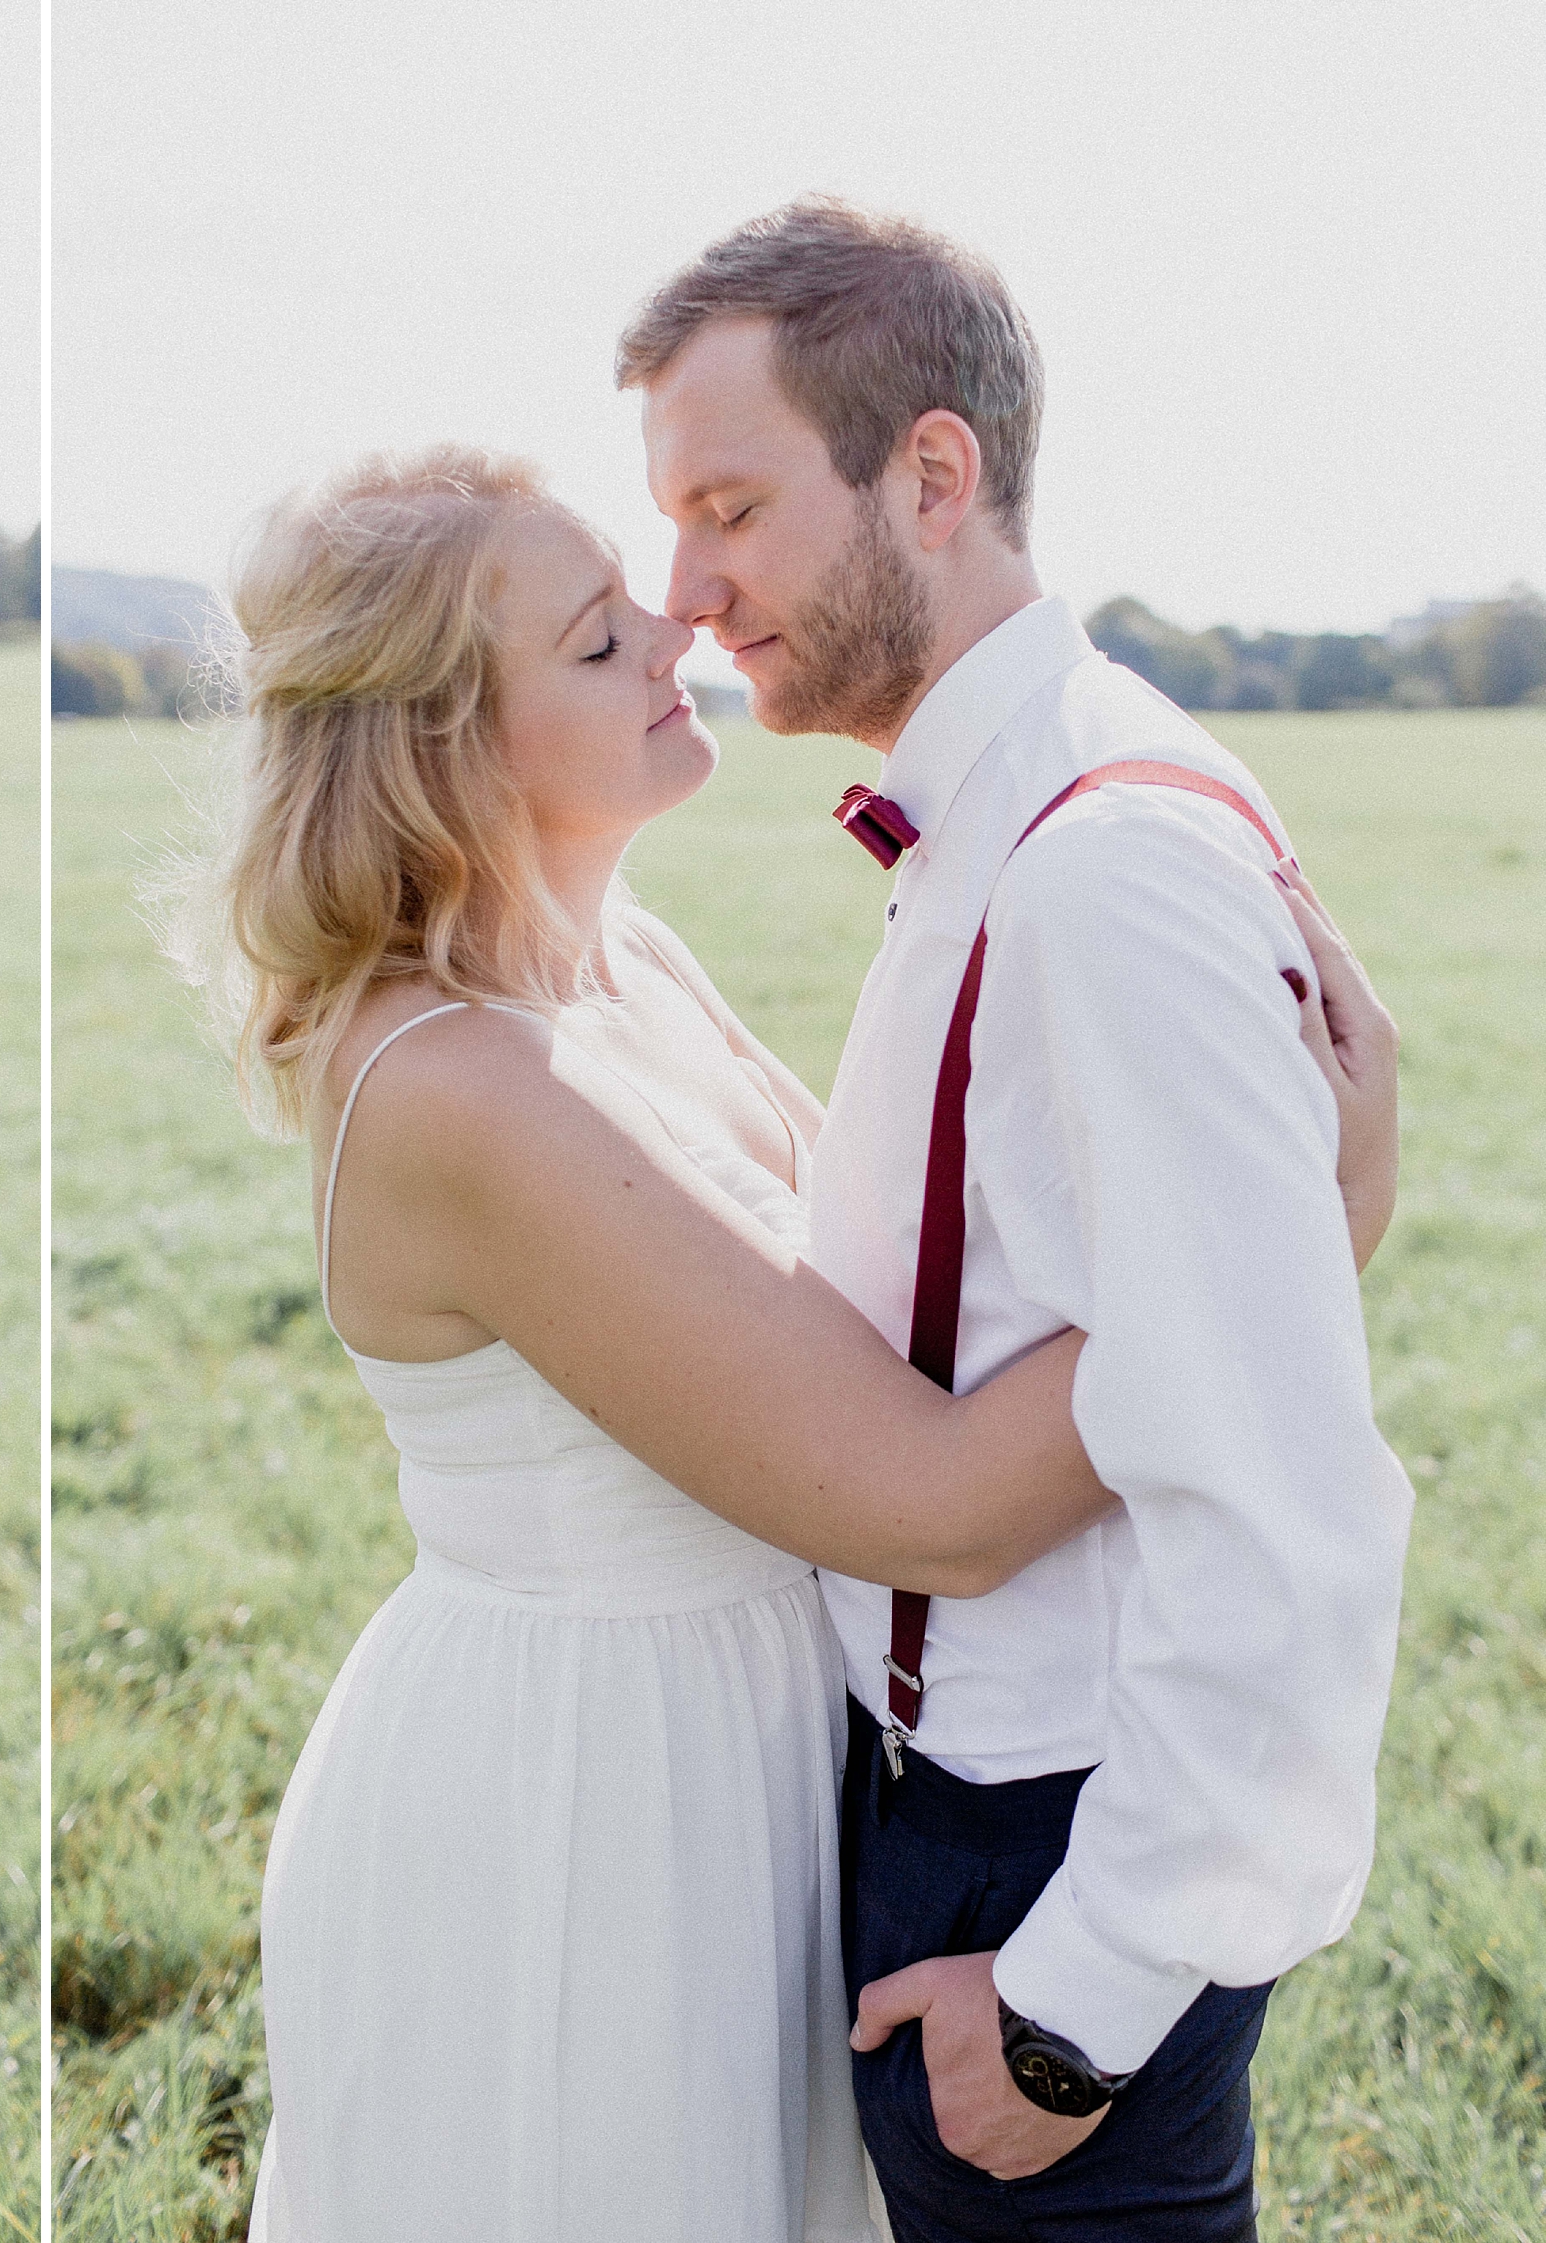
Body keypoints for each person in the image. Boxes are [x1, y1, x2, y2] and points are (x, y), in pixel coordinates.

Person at [196, 444, 1397, 2240]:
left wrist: (1243, 1194)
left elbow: (893, 1324)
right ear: (449, 740)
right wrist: (1276, 1239)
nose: (678, 625)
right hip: (582, 1807)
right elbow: (935, 1497)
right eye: (600, 642)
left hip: (749, 1756)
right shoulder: (457, 1083)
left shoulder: (625, 964)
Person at [620, 198, 1413, 2240]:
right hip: (987, 1822)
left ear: (935, 475)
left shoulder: (1098, 865)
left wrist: (1081, 2003)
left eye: (732, 508)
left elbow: (1286, 1498)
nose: (687, 592)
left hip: (1055, 1852)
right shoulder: (1021, 815)